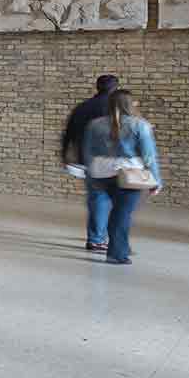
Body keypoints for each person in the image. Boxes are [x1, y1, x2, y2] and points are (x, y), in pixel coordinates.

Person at [83, 89, 162, 265]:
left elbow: (87, 153)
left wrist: (90, 175)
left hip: (99, 173)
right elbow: (149, 156)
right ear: (130, 104)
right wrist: (156, 180)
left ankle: (120, 246)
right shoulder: (140, 125)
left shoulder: (94, 124)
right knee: (122, 214)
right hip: (129, 175)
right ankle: (117, 254)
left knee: (113, 211)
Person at [63, 74, 120, 251]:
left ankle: (98, 236)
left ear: (97, 87)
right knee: (110, 200)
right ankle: (98, 238)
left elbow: (69, 132)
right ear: (115, 88)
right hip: (112, 160)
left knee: (98, 198)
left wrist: (65, 154)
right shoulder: (116, 108)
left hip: (87, 159)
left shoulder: (83, 107)